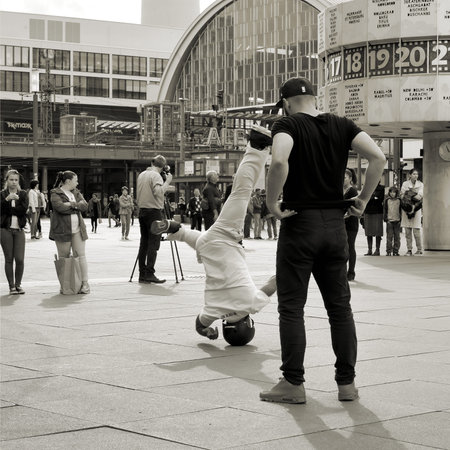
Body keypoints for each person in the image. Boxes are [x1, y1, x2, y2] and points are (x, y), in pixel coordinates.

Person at [261, 77, 386, 404]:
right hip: (335, 228)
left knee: (291, 307)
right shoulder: (342, 124)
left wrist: (273, 203)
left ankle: (293, 383)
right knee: (340, 308)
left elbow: (278, 160)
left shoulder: (286, 123)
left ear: (285, 101)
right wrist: (360, 199)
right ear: (315, 98)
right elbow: (378, 158)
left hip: (299, 225)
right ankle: (346, 385)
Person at [150, 125, 276, 339]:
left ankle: (257, 146)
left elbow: (275, 281)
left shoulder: (251, 305)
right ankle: (174, 228)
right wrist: (208, 331)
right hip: (206, 245)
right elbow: (199, 325)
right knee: (193, 237)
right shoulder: (211, 312)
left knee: (241, 191)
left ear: (248, 324)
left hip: (226, 238)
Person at [49, 171, 90, 294]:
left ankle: (84, 284)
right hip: (62, 231)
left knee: (81, 256)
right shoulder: (55, 193)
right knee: (64, 258)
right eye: (75, 180)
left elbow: (85, 205)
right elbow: (60, 208)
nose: (77, 183)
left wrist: (72, 205)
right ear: (68, 181)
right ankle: (65, 285)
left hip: (78, 230)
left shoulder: (76, 192)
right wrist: (76, 206)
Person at [136, 155, 173, 284]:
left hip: (142, 211)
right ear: (162, 167)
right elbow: (158, 192)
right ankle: (150, 273)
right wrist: (167, 181)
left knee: (144, 243)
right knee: (153, 243)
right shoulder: (156, 176)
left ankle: (142, 273)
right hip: (154, 212)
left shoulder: (142, 174)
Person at [1, 169, 29, 295]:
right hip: (5, 230)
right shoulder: (2, 194)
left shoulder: (23, 194)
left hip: (19, 230)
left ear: (18, 181)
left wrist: (10, 208)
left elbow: (22, 210)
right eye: (11, 179)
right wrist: (7, 199)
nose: (13, 182)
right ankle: (12, 286)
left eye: (16, 180)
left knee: (20, 259)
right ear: (7, 180)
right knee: (8, 259)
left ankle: (18, 285)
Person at [400, 168, 423, 255]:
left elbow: (419, 197)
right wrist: (413, 193)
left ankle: (419, 249)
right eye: (413, 174)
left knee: (416, 231)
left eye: (416, 174)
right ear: (410, 175)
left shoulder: (421, 184)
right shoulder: (405, 184)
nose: (415, 176)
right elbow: (402, 195)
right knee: (408, 231)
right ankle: (409, 249)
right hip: (406, 209)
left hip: (416, 209)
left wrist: (409, 193)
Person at [343, 168, 359, 280]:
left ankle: (351, 272)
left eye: (344, 178)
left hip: (351, 222)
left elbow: (354, 208)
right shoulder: (338, 190)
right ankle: (342, 271)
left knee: (350, 246)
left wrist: (347, 214)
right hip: (340, 222)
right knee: (341, 247)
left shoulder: (353, 191)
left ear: (350, 178)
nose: (342, 180)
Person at [363, 182, 385, 256]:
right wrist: (374, 197)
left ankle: (377, 250)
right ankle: (369, 250)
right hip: (368, 211)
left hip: (377, 211)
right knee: (368, 232)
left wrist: (371, 197)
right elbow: (364, 199)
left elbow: (380, 200)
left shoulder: (381, 188)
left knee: (378, 231)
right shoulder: (366, 187)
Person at [384, 186, 402, 256]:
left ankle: (396, 251)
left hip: (397, 221)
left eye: (394, 192)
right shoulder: (387, 200)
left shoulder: (399, 200)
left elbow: (401, 211)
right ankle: (388, 251)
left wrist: (401, 219)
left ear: (396, 193)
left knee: (397, 237)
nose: (392, 194)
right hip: (389, 221)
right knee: (389, 237)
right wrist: (386, 219)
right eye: (391, 192)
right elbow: (385, 210)